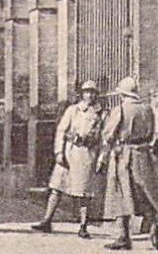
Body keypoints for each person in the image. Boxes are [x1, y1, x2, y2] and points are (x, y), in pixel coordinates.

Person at [98, 76, 158, 251]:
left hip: (124, 154)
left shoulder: (120, 109)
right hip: (143, 154)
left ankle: (123, 236)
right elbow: (155, 132)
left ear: (122, 94)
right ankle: (154, 233)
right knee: (145, 194)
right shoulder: (148, 109)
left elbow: (108, 135)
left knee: (121, 193)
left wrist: (104, 155)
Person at [30, 80, 103, 238]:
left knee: (83, 193)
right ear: (82, 94)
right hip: (69, 153)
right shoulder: (73, 110)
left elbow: (103, 139)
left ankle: (83, 226)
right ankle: (47, 220)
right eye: (86, 92)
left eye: (93, 92)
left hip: (86, 155)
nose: (89, 95)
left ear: (97, 95)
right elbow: (61, 130)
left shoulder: (101, 113)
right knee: (57, 188)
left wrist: (101, 159)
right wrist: (58, 152)